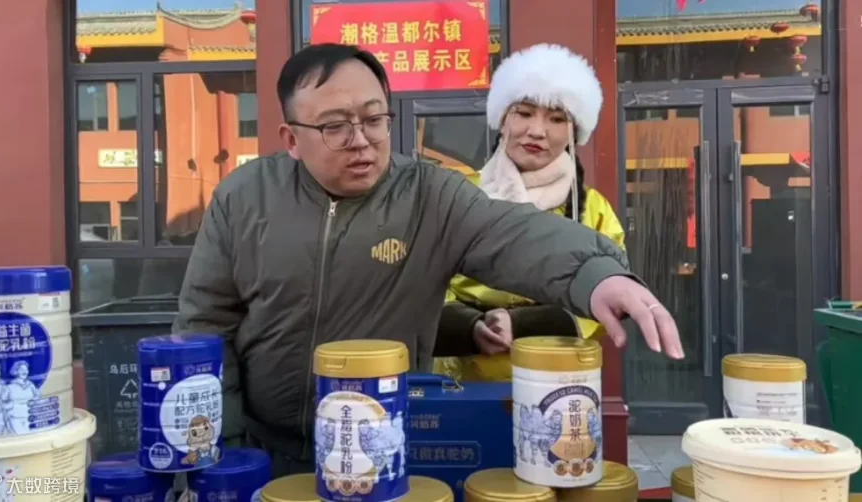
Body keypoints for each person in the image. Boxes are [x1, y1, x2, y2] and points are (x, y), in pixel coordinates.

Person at [173, 43, 683, 478]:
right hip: (261, 454)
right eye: (335, 126)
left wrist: (597, 275)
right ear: (291, 139)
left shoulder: (428, 196)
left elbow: (511, 233)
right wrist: (222, 448)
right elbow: (204, 325)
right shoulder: (245, 198)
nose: (361, 140)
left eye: (374, 119)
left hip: (386, 450)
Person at [434, 43, 627, 382]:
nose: (537, 131)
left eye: (557, 119)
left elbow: (610, 292)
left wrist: (523, 325)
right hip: (462, 376)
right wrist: (470, 326)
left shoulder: (592, 208)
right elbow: (423, 278)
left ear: (574, 132)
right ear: (502, 120)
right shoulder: (456, 194)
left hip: (555, 376)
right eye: (523, 113)